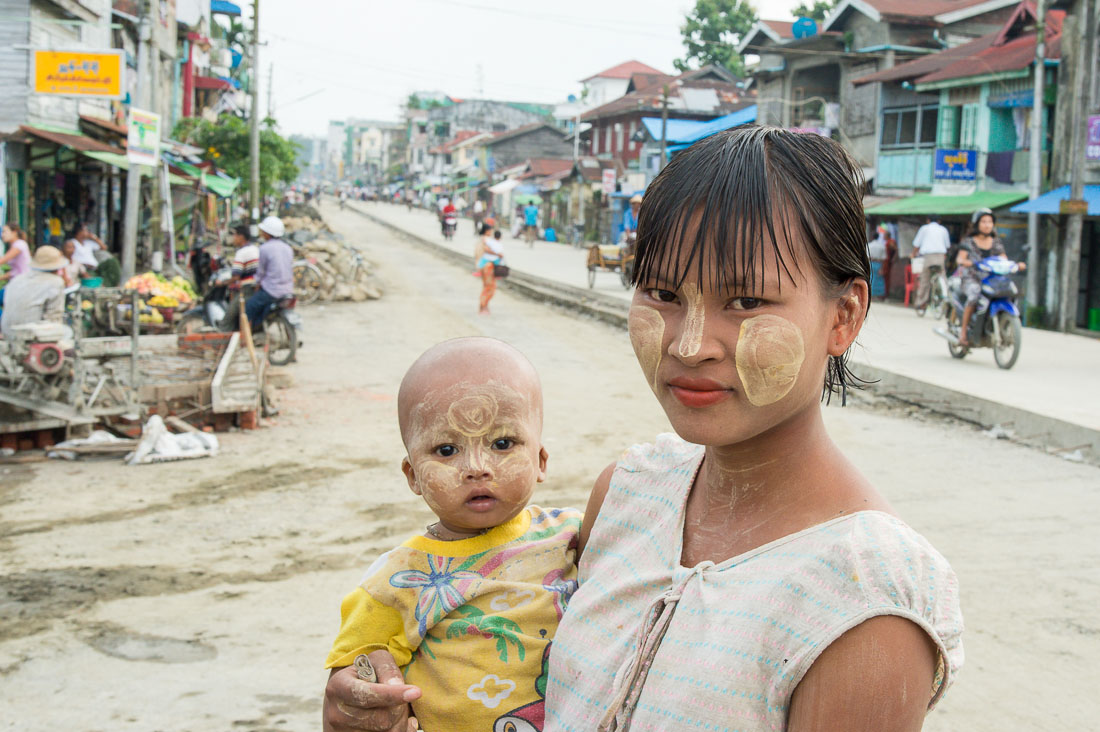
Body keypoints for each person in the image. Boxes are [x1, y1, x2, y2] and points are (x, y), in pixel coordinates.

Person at [322, 126, 965, 732]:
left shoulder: (867, 597)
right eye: (660, 291)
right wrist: (373, 699)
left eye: (745, 302)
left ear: (844, 315)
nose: (689, 345)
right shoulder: (629, 492)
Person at [322, 337, 582, 732]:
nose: (476, 468)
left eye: (502, 443)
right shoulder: (395, 580)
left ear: (540, 460)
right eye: (446, 450)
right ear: (413, 476)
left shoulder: (573, 535)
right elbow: (351, 688)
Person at [955, 209, 1023, 347]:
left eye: (990, 222)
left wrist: (1015, 265)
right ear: (977, 224)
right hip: (972, 278)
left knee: (1009, 292)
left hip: (992, 279)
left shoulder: (996, 241)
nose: (987, 225)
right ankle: (963, 333)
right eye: (984, 222)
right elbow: (960, 259)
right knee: (974, 296)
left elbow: (1003, 258)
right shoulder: (968, 241)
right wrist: (968, 262)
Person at [1, 245, 67, 339]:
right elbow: (54, 317)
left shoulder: (17, 279)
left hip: (7, 333)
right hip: (31, 336)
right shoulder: (55, 282)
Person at [245, 216, 294, 330]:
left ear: (267, 233)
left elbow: (261, 273)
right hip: (288, 289)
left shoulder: (265, 248)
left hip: (272, 290)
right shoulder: (287, 248)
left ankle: (247, 334)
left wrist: (256, 283)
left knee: (249, 306)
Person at [221, 224, 260, 330]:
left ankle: (223, 342)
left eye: (235, 236)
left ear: (241, 237)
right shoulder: (255, 249)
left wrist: (222, 283)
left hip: (247, 290)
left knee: (227, 318)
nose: (233, 238)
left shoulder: (241, 253)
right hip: (257, 287)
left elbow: (236, 277)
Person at [911, 215, 951, 313]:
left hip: (928, 256)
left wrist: (913, 254)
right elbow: (947, 246)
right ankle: (946, 299)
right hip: (940, 256)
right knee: (942, 276)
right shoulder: (943, 230)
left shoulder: (924, 228)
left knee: (925, 279)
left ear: (928, 220)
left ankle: (921, 303)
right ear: (939, 221)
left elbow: (917, 244)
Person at [475, 224, 504, 315]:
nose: (491, 232)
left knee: (487, 287)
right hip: (488, 266)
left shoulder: (484, 240)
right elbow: (486, 249)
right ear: (487, 231)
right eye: (490, 230)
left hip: (484, 265)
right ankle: (483, 306)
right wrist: (497, 254)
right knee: (490, 287)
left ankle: (484, 306)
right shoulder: (485, 240)